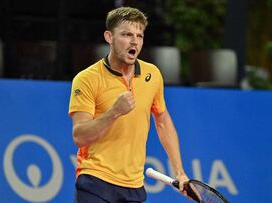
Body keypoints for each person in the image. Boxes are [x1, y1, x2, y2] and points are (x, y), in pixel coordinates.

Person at [68, 7, 201, 203]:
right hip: (95, 180)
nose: (134, 41)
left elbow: (163, 122)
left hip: (133, 186)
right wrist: (114, 112)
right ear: (109, 37)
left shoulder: (152, 75)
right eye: (126, 34)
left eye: (139, 35)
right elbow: (79, 136)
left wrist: (180, 173)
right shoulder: (87, 79)